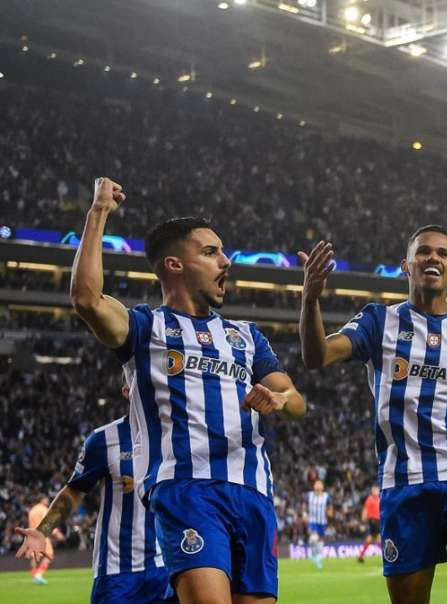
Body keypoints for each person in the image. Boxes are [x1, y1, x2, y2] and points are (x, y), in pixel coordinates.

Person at [69, 177, 307, 604]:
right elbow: (87, 299)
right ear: (174, 265)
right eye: (211, 252)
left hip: (253, 494)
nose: (227, 261)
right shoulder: (146, 327)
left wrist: (281, 399)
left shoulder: (246, 337)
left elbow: (297, 401)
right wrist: (99, 212)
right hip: (186, 489)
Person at [298, 226, 447, 604]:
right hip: (405, 484)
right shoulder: (378, 322)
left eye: (443, 254)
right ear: (406, 265)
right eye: (424, 252)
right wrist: (310, 300)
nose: (433, 258)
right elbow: (316, 356)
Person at [16, 413, 169, 602]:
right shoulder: (104, 439)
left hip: (167, 566)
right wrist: (43, 531)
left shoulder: (175, 433)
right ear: (127, 390)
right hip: (117, 572)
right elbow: (75, 490)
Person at [23, 497, 62, 585]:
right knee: (49, 555)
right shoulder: (43, 509)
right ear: (42, 500)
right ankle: (39, 575)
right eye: (46, 499)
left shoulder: (32, 510)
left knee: (34, 556)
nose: (47, 501)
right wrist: (56, 533)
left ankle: (34, 577)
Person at [305, 481, 332, 569]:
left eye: (319, 484)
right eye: (316, 484)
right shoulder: (309, 495)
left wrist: (330, 513)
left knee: (320, 540)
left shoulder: (326, 497)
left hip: (322, 521)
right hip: (312, 521)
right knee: (313, 538)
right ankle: (315, 557)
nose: (318, 486)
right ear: (314, 486)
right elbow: (304, 506)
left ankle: (316, 557)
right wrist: (304, 514)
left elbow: (330, 508)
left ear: (322, 487)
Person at [357, 486, 381, 564]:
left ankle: (361, 555)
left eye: (377, 490)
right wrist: (363, 519)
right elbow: (365, 509)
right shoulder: (370, 499)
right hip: (373, 521)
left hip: (377, 520)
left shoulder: (378, 499)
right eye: (374, 490)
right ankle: (386, 556)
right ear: (372, 491)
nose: (376, 491)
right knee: (378, 538)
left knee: (370, 538)